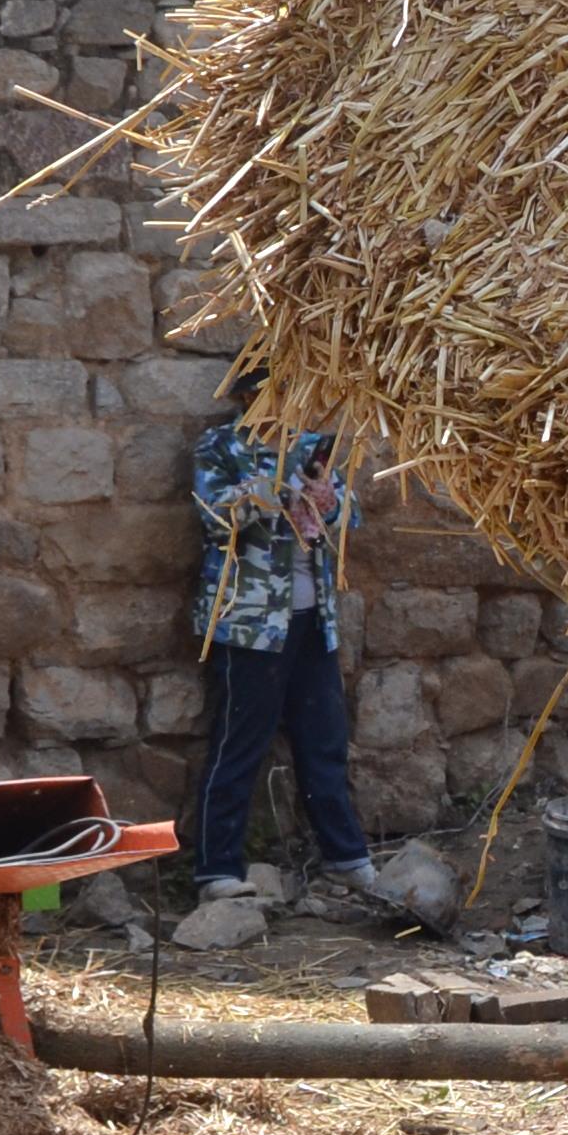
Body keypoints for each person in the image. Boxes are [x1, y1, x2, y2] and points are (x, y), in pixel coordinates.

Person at [185, 375, 380, 907]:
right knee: (239, 744)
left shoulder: (311, 448)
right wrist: (274, 493)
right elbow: (214, 515)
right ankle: (217, 869)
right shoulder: (221, 447)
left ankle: (346, 857)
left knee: (324, 740)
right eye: (272, 392)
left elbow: (349, 516)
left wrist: (329, 500)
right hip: (247, 625)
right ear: (248, 397)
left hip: (311, 619)